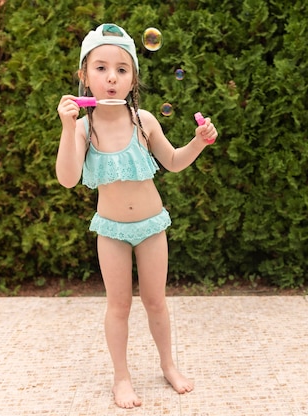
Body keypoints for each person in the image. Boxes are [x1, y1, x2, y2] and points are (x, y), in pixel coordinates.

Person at [55, 23, 218, 409]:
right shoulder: (83, 127)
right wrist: (65, 127)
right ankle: (121, 377)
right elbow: (67, 179)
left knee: (156, 301)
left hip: (151, 227)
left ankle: (168, 364)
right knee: (119, 305)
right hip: (111, 230)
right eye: (100, 67)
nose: (111, 77)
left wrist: (198, 141)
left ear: (133, 79)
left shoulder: (144, 121)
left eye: (122, 69)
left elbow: (175, 162)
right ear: (84, 75)